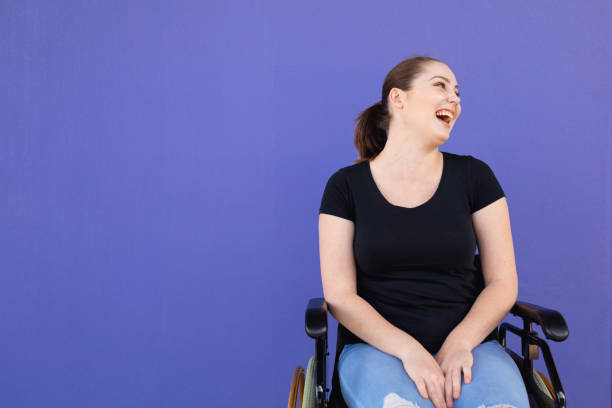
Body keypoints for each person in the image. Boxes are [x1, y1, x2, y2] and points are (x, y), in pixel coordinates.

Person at [318, 55, 530, 408]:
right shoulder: (344, 187)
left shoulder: (475, 177)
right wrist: (410, 352)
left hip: (471, 348)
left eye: (458, 93)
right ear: (398, 99)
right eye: (440, 86)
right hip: (376, 350)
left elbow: (502, 282)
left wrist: (460, 344)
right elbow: (340, 296)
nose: (455, 100)